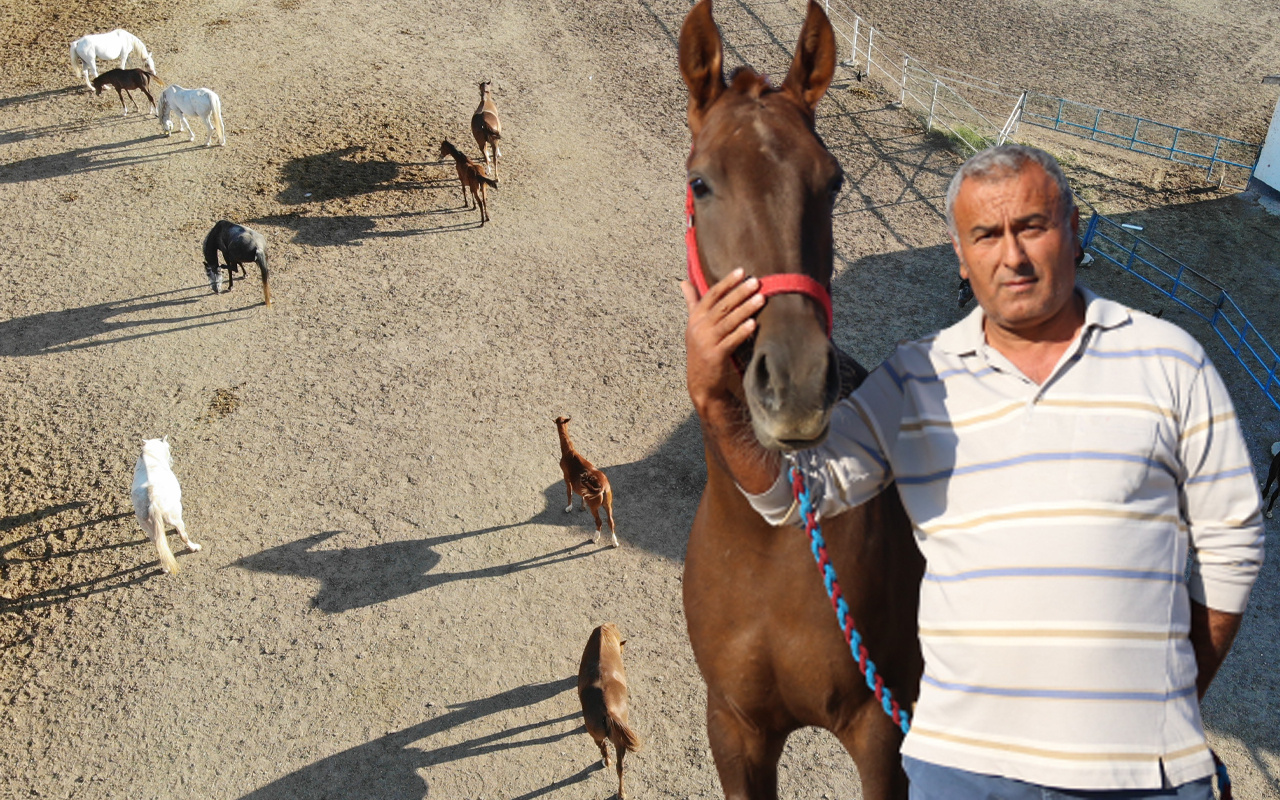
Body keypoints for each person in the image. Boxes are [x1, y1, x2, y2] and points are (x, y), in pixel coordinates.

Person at [682, 144, 1264, 798]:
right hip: (966, 774)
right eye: (986, 234)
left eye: (1033, 227)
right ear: (960, 256)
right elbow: (795, 493)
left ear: (1074, 231)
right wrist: (714, 398)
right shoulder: (915, 378)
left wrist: (1170, 698)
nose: (1011, 256)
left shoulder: (1171, 364)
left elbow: (1233, 539)